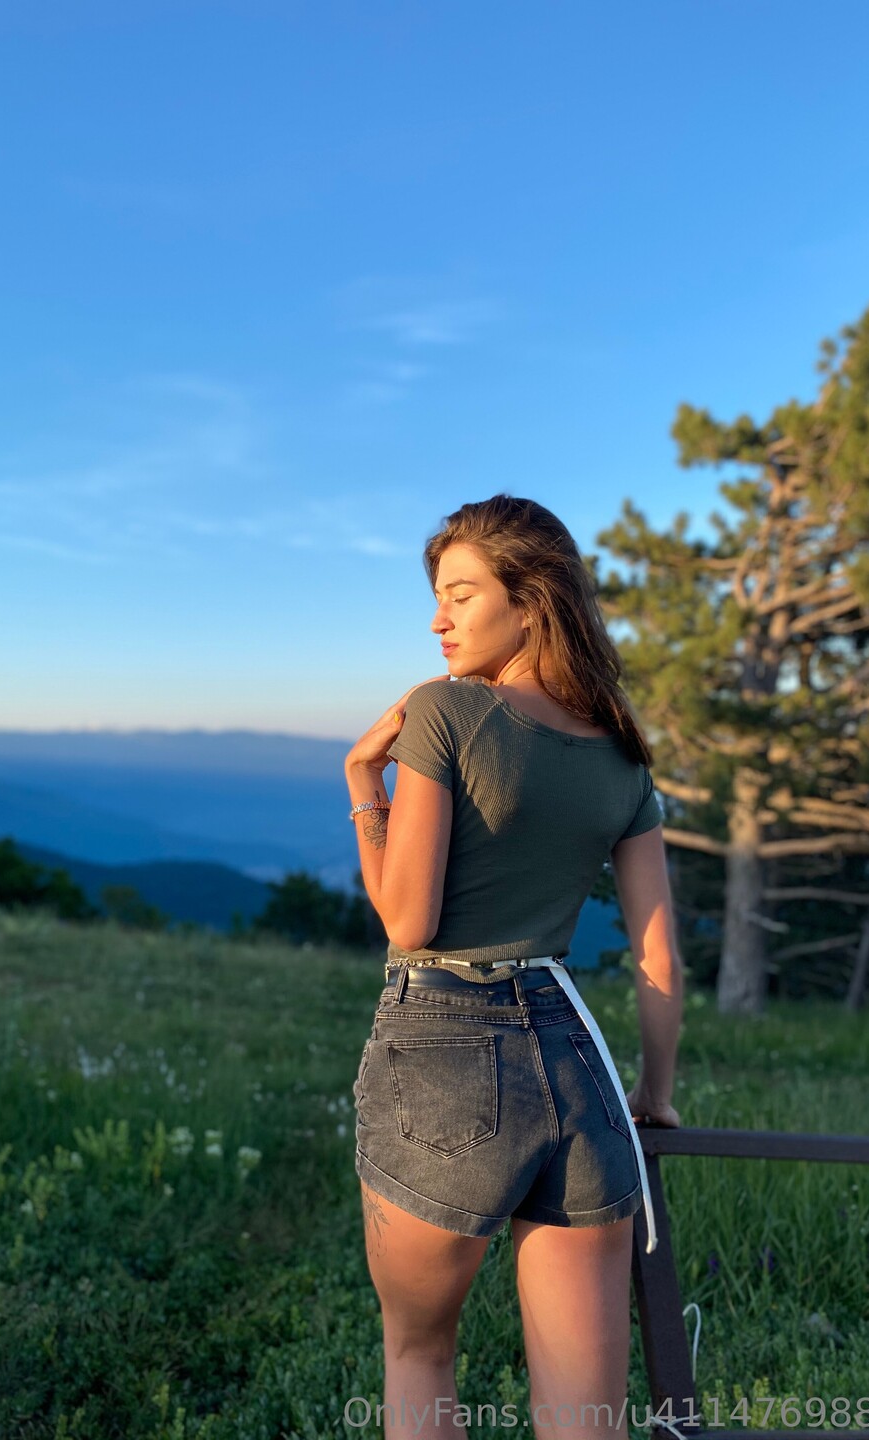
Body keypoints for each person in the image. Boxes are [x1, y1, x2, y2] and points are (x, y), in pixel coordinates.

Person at [344, 494, 683, 1440]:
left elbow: (408, 919)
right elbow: (658, 954)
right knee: (584, 1416)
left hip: (442, 1046)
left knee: (419, 1356)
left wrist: (363, 785)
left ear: (530, 602)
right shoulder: (624, 760)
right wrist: (654, 1094)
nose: (437, 620)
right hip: (579, 1067)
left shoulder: (447, 712)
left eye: (460, 595)